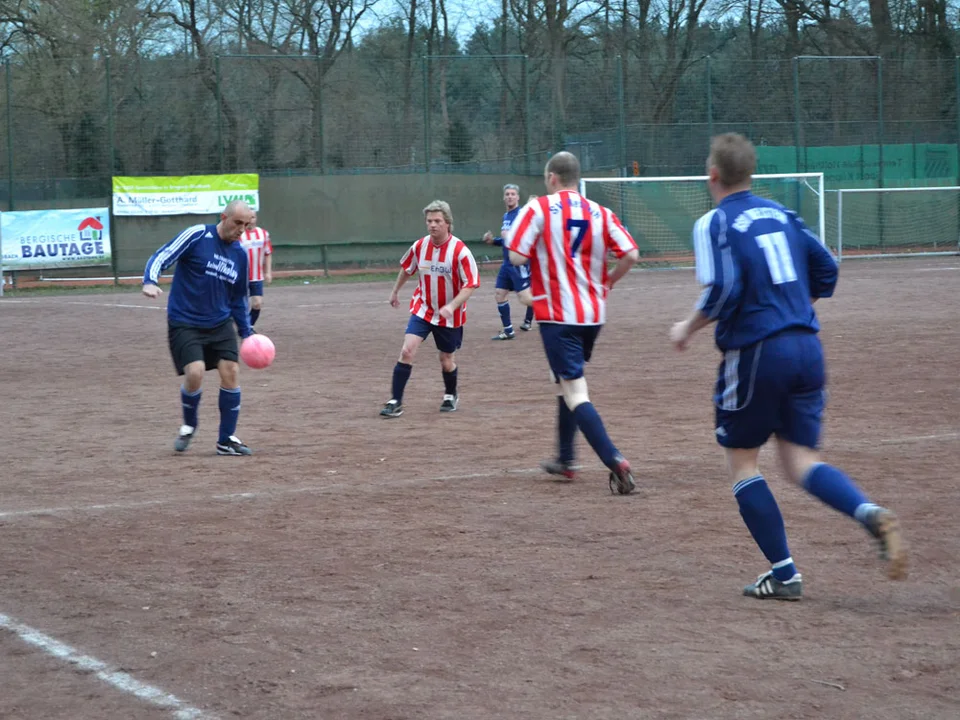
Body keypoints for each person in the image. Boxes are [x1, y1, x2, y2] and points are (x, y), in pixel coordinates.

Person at [669, 132, 907, 600]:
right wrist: (793, 307)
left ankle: (784, 574)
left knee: (742, 462)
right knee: (801, 461)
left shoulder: (715, 222)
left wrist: (687, 327)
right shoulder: (783, 214)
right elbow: (828, 269)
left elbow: (724, 289)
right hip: (806, 345)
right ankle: (869, 512)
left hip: (757, 351)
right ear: (751, 172)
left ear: (712, 175)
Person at [506, 152, 639, 494]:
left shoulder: (539, 208)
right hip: (592, 315)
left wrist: (531, 241)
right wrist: (609, 281)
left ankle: (615, 460)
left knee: (575, 391)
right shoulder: (600, 212)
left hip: (557, 314)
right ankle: (566, 459)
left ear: (552, 178)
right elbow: (631, 254)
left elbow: (516, 255)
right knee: (562, 380)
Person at [142, 200, 256, 456]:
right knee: (195, 372)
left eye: (246, 225)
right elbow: (163, 254)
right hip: (185, 321)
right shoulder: (197, 235)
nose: (241, 229)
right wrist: (150, 280)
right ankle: (189, 425)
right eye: (237, 223)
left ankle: (226, 440)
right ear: (223, 217)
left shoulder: (239, 254)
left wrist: (246, 331)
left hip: (220, 322)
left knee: (231, 371)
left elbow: (238, 297)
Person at [380, 200, 480, 418]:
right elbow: (407, 268)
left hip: (450, 317)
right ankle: (395, 401)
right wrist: (395, 291)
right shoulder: (420, 246)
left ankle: (450, 394)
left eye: (437, 221)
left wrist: (452, 306)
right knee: (407, 351)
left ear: (448, 223)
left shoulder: (460, 251)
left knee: (446, 361)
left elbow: (471, 284)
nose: (432, 225)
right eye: (429, 221)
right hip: (423, 309)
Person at [483, 183, 535, 340]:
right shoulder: (506, 216)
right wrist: (493, 241)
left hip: (519, 263)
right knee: (499, 294)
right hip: (506, 264)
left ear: (518, 197)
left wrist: (511, 235)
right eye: (507, 194)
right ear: (503, 198)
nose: (510, 196)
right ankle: (508, 331)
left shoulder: (522, 215)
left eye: (513, 194)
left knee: (527, 298)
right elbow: (506, 240)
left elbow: (528, 236)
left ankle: (554, 308)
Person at [240, 211, 273, 327]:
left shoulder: (263, 234)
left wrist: (268, 272)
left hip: (257, 276)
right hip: (241, 277)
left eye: (252, 217)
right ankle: (242, 327)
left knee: (257, 303)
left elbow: (268, 254)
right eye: (248, 217)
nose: (250, 220)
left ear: (256, 218)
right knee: (240, 305)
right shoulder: (239, 234)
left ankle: (249, 326)